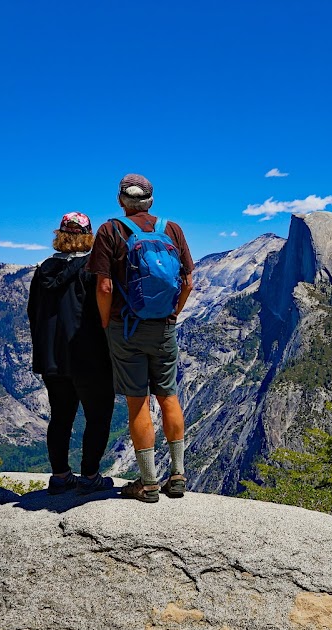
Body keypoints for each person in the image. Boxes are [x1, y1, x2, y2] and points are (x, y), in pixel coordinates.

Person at [88, 174, 194, 503]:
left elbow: (104, 287)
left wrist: (106, 322)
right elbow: (188, 281)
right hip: (163, 327)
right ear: (150, 200)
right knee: (168, 396)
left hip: (126, 328)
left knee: (138, 402)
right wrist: (173, 313)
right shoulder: (172, 229)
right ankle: (177, 475)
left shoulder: (110, 230)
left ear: (122, 200)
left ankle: (148, 483)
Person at [27, 212, 116, 495]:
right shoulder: (94, 269)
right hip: (90, 356)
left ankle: (60, 475)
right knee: (98, 416)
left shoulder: (43, 270)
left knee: (61, 416)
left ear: (61, 236)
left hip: (53, 358)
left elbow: (33, 314)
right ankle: (90, 476)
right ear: (88, 236)